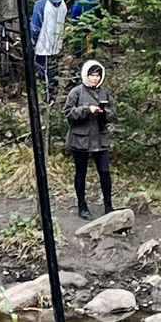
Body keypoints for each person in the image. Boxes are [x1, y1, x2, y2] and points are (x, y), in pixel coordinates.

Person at [64, 56, 115, 215]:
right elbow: (68, 113)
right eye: (92, 75)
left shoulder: (104, 92)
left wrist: (103, 112)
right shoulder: (76, 92)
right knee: (81, 173)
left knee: (105, 172)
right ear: (86, 75)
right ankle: (82, 205)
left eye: (98, 75)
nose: (95, 78)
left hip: (100, 138)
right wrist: (87, 109)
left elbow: (113, 113)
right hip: (80, 139)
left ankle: (108, 205)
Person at [27, 0, 68, 92]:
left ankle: (47, 96)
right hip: (57, 45)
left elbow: (35, 27)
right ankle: (54, 94)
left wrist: (31, 42)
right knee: (54, 72)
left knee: (43, 74)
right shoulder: (63, 3)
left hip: (42, 46)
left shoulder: (41, 4)